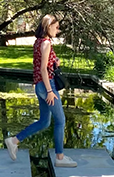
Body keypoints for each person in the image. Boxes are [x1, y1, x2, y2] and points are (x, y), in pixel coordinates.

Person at [5, 14, 77, 167]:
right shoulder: (46, 43)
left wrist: (55, 62)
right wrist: (50, 91)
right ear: (48, 26)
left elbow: (41, 65)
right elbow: (43, 70)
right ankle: (60, 157)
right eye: (56, 27)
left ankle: (14, 141)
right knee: (60, 120)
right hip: (46, 86)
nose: (57, 31)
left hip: (40, 86)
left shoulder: (38, 42)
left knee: (44, 122)